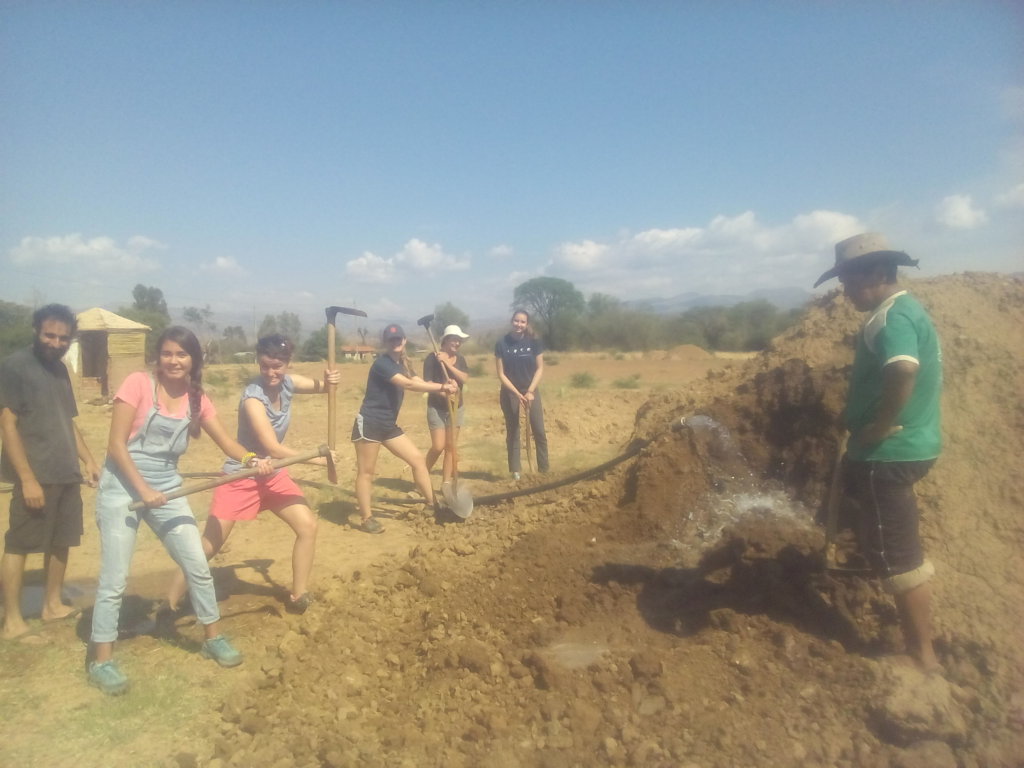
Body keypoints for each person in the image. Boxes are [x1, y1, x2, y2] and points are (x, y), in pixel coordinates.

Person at [88, 326, 272, 695]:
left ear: (193, 360)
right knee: (115, 578)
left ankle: (212, 638)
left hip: (168, 486)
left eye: (182, 354)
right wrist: (144, 490)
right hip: (123, 486)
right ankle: (101, 660)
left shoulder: (196, 398)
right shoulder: (138, 384)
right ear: (158, 357)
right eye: (168, 353)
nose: (174, 360)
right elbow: (115, 446)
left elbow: (227, 442)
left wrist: (253, 460)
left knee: (197, 563)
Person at [815, 232, 942, 672]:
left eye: (849, 279)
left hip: (889, 454)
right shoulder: (909, 310)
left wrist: (880, 426)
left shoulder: (892, 317)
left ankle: (921, 655)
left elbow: (903, 368)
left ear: (878, 272)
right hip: (909, 447)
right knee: (883, 539)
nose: (844, 290)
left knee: (901, 557)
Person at [165, 334, 340, 616]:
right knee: (210, 545)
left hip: (272, 474)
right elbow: (272, 446)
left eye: (277, 367)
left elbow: (323, 388)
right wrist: (319, 459)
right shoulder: (253, 398)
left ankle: (299, 595)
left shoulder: (289, 383)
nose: (271, 373)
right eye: (265, 366)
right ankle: (169, 603)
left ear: (287, 363)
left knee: (307, 526)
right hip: (242, 475)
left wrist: (330, 381)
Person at [0, 304, 101, 640]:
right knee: (19, 543)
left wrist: (88, 460)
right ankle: (12, 621)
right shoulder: (15, 366)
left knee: (62, 540)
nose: (56, 343)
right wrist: (27, 479)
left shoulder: (59, 369)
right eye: (50, 335)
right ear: (36, 330)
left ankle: (52, 604)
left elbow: (67, 420)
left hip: (65, 471)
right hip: (36, 474)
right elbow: (7, 424)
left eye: (63, 338)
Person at [352, 324, 458, 534]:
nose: (396, 342)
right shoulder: (382, 364)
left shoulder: (403, 363)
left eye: (398, 339)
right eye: (391, 339)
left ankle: (432, 505)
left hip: (388, 425)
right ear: (386, 342)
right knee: (366, 472)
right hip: (370, 423)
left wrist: (445, 388)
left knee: (417, 460)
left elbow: (416, 380)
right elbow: (408, 385)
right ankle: (366, 518)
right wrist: (442, 387)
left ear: (404, 340)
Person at [494, 309, 549, 479]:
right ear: (512, 321)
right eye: (516, 321)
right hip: (510, 392)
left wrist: (530, 391)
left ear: (527, 324)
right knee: (514, 431)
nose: (519, 324)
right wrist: (517, 394)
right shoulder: (502, 343)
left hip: (530, 390)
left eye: (523, 322)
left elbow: (540, 368)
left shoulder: (534, 342)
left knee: (539, 430)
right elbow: (501, 374)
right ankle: (516, 471)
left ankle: (544, 470)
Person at [423, 325, 470, 492]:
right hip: (436, 407)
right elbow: (427, 384)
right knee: (438, 446)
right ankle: (421, 477)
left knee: (451, 446)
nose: (457, 343)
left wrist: (447, 364)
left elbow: (464, 378)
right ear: (445, 340)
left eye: (459, 340)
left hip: (456, 407)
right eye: (454, 340)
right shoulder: (431, 359)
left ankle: (446, 484)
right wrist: (444, 393)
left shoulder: (460, 359)